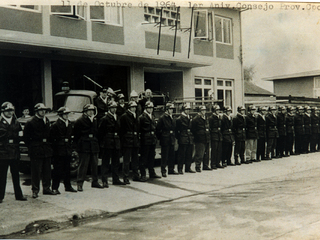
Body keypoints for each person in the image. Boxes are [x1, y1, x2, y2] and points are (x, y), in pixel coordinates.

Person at [24, 103, 56, 198]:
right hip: (36, 148)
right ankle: (35, 190)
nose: (43, 112)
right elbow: (26, 138)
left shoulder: (47, 120)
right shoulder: (31, 122)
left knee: (47, 170)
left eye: (44, 110)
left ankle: (46, 188)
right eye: (41, 110)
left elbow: (50, 135)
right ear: (36, 111)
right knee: (36, 171)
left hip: (46, 148)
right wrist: (32, 147)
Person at [0, 102, 27, 203]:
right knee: (2, 175)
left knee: (16, 174)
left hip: (15, 151)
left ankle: (19, 195)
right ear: (3, 111)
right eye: (7, 111)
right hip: (3, 151)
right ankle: (0, 196)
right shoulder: (0, 121)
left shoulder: (16, 122)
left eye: (11, 110)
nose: (10, 112)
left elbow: (20, 135)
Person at [73, 104, 103, 191]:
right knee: (83, 165)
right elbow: (76, 135)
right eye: (89, 110)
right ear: (85, 111)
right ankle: (80, 183)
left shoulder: (95, 120)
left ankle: (95, 181)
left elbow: (97, 132)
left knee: (94, 164)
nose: (91, 112)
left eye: (92, 110)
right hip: (84, 144)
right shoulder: (80, 120)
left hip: (93, 144)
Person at [98, 101, 125, 187]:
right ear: (109, 108)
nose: (114, 109)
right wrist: (103, 143)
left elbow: (120, 130)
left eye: (115, 108)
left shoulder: (117, 117)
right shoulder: (105, 118)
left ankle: (115, 179)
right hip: (108, 142)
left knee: (116, 162)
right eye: (112, 108)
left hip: (116, 141)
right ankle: (104, 180)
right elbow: (100, 132)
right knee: (106, 162)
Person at [50, 107, 77, 194]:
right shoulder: (56, 125)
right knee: (57, 170)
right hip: (58, 150)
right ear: (61, 115)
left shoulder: (69, 123)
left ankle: (68, 186)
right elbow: (52, 139)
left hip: (67, 149)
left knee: (67, 169)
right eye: (65, 114)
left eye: (67, 114)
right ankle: (55, 187)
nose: (66, 115)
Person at [138, 101, 161, 179]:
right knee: (144, 157)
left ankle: (152, 173)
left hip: (152, 139)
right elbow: (139, 129)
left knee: (152, 156)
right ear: (146, 108)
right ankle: (143, 174)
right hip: (145, 139)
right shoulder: (142, 117)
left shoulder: (152, 116)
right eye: (149, 108)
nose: (151, 109)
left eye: (152, 108)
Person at [119, 100, 141, 183]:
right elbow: (121, 130)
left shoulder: (136, 115)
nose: (134, 108)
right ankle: (125, 177)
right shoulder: (124, 116)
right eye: (132, 107)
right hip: (127, 140)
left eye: (135, 107)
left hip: (135, 139)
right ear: (129, 108)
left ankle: (136, 175)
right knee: (126, 160)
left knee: (135, 159)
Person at [156, 102, 177, 177]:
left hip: (171, 138)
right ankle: (163, 171)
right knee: (164, 156)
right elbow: (158, 129)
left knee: (172, 155)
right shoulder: (163, 117)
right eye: (170, 109)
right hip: (165, 138)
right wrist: (162, 137)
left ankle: (171, 169)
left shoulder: (172, 117)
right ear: (167, 109)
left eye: (172, 109)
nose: (172, 110)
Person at [175, 103, 195, 174]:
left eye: (189, 109)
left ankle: (188, 168)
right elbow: (177, 130)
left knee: (189, 154)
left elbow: (191, 128)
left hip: (189, 137)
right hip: (183, 137)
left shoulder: (189, 117)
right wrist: (179, 137)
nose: (188, 111)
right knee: (181, 154)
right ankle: (180, 168)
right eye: (186, 109)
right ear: (184, 110)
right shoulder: (180, 119)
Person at [191, 105, 210, 172]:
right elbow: (193, 129)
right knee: (199, 154)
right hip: (199, 138)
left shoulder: (206, 118)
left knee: (206, 153)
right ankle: (198, 166)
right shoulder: (196, 119)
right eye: (202, 110)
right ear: (199, 111)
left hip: (206, 137)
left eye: (204, 110)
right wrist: (197, 136)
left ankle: (205, 165)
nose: (204, 112)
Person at [208, 105, 222, 169]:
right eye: (217, 110)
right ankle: (213, 164)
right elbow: (210, 127)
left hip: (219, 135)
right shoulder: (211, 118)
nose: (218, 111)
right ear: (214, 111)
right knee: (214, 150)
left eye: (218, 110)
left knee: (219, 150)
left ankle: (217, 162)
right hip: (214, 135)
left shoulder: (219, 117)